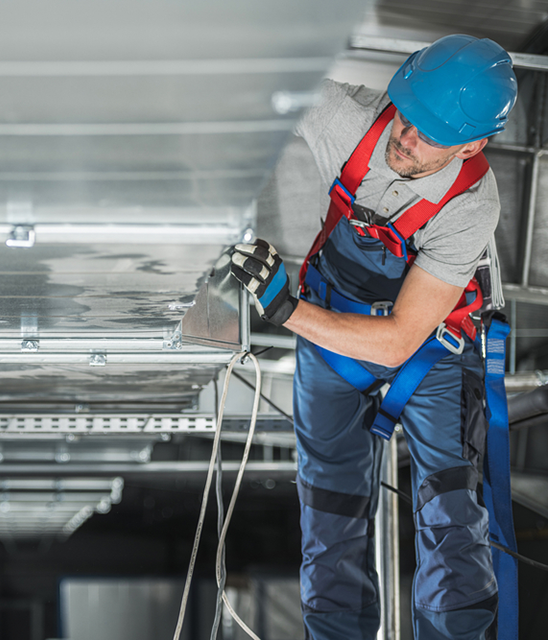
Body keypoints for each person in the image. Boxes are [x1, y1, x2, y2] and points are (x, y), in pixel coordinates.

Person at [222, 35, 518, 639]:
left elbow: (397, 342)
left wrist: (283, 309)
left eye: (428, 136)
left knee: (452, 521)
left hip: (430, 350)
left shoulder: (470, 207)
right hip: (333, 333)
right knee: (329, 518)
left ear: (474, 145)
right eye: (405, 118)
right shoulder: (348, 121)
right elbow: (253, 75)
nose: (403, 140)